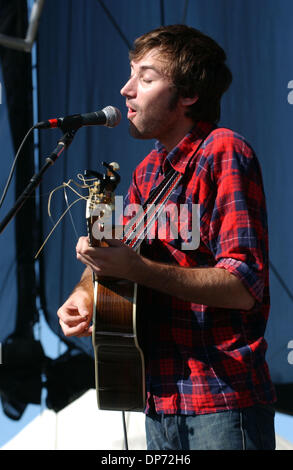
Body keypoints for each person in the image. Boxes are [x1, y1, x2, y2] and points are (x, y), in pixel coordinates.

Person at [57, 24, 276, 450]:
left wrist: (138, 268)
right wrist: (86, 293)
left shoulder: (224, 150)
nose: (126, 89)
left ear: (188, 95)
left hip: (222, 400)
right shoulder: (145, 174)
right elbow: (117, 258)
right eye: (130, 74)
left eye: (147, 77)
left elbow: (243, 284)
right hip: (159, 401)